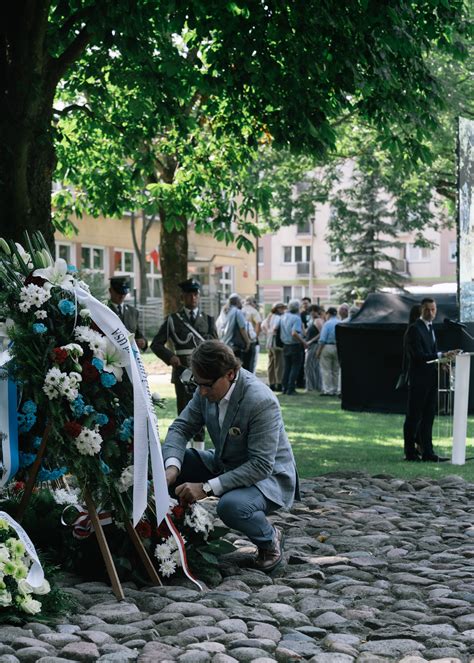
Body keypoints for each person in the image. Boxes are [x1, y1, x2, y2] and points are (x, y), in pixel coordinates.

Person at [163, 340, 299, 572]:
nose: (202, 392)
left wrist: (205, 488)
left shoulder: (261, 400)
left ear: (230, 374)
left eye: (207, 386)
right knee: (161, 464)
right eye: (198, 384)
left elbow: (260, 465)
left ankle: (270, 539)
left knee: (231, 507)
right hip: (224, 461)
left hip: (268, 476)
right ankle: (172, 538)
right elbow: (180, 428)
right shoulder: (205, 386)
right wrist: (171, 469)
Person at [151, 278, 217, 451]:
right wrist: (170, 356)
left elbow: (216, 346)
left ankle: (200, 452)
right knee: (185, 413)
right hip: (182, 372)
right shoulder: (173, 320)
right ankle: (185, 453)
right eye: (189, 295)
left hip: (203, 373)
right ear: (183, 297)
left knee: (203, 412)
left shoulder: (209, 320)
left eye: (195, 294)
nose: (193, 298)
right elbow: (156, 344)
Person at [403, 297, 458, 462]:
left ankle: (428, 452)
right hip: (419, 380)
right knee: (414, 417)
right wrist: (441, 355)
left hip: (432, 378)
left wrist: (442, 364)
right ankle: (410, 452)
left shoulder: (430, 328)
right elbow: (419, 356)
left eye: (433, 309)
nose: (431, 313)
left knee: (428, 417)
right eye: (427, 309)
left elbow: (431, 353)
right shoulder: (415, 329)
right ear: (421, 310)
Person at [108, 277, 148, 350]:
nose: (122, 296)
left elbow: (138, 334)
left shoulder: (133, 312)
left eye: (124, 293)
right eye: (118, 292)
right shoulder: (104, 310)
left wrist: (143, 342)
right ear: (110, 291)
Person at [280, 299, 307, 395]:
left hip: (285, 345)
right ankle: (291, 388)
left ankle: (284, 387)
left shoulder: (283, 317)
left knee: (287, 367)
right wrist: (303, 342)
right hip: (295, 345)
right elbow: (294, 333)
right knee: (295, 367)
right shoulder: (296, 318)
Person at [220, 294, 251, 368]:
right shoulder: (237, 312)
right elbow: (242, 328)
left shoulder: (225, 311)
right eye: (240, 301)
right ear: (237, 302)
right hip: (235, 346)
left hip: (225, 344)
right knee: (237, 368)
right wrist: (247, 342)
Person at [262, 301, 286, 391]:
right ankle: (278, 383)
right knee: (279, 364)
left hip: (269, 343)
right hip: (276, 343)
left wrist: (268, 333)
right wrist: (272, 332)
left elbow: (263, 326)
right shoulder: (279, 317)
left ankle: (271, 382)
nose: (283, 309)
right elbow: (275, 328)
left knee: (271, 363)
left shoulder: (269, 316)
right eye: (281, 308)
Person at [316, 307, 340, 396]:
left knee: (326, 370)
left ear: (328, 314)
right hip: (338, 347)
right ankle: (336, 389)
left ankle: (328, 390)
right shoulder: (341, 323)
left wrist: (318, 351)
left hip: (327, 346)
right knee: (336, 370)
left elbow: (322, 339)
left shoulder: (327, 324)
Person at [304, 305, 325, 392]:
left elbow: (321, 333)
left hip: (314, 345)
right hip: (311, 345)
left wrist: (310, 341)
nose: (311, 313)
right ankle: (316, 386)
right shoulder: (312, 321)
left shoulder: (318, 321)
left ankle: (311, 386)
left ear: (315, 311)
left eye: (312, 311)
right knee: (314, 366)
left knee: (309, 365)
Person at [242, 296, 262, 373]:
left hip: (242, 340)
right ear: (253, 303)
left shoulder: (240, 310)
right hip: (251, 339)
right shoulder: (254, 311)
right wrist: (255, 337)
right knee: (251, 363)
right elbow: (258, 324)